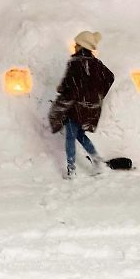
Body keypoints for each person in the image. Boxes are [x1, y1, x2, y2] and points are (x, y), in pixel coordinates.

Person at [50, 31, 114, 179]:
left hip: (76, 107)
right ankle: (97, 160)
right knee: (80, 134)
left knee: (70, 137)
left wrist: (61, 89)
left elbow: (68, 85)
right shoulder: (96, 64)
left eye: (76, 44)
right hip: (89, 108)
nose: (74, 46)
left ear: (81, 45)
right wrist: (96, 95)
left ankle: (71, 169)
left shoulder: (76, 63)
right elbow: (110, 77)